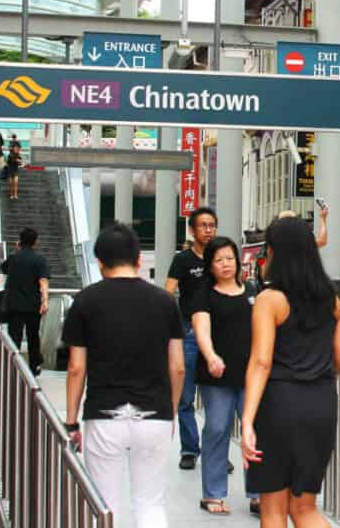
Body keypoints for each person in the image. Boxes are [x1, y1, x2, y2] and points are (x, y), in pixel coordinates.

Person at [62, 223, 185, 528]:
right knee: (150, 503)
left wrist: (71, 419)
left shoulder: (85, 301)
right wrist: (170, 411)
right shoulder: (165, 301)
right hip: (155, 413)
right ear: (139, 259)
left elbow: (77, 368)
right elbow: (178, 366)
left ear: (99, 262)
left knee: (105, 505)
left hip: (104, 413)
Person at [241, 216, 340, 527]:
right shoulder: (332, 302)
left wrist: (247, 420)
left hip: (279, 405)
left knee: (274, 509)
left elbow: (261, 362)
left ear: (275, 252)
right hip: (321, 404)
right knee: (305, 509)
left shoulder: (269, 299)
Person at [192, 236, 261, 516]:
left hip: (251, 375)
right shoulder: (203, 294)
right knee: (218, 429)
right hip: (216, 376)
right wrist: (211, 356)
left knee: (255, 431)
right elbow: (201, 329)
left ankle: (257, 493)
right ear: (210, 265)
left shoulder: (252, 290)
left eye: (230, 258)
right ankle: (213, 493)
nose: (225, 264)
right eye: (218, 260)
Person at [165, 206, 218, 470]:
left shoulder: (221, 257)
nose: (208, 230)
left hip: (217, 335)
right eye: (203, 225)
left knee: (215, 398)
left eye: (212, 225)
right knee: (185, 397)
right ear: (192, 230)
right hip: (188, 333)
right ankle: (189, 449)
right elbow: (168, 293)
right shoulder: (183, 260)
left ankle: (214, 451)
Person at [1, 227, 50, 375]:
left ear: (20, 241)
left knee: (14, 336)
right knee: (33, 336)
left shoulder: (13, 258)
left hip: (14, 305)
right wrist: (45, 301)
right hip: (33, 305)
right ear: (35, 242)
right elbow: (43, 281)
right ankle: (34, 366)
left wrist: (17, 250)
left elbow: (4, 269)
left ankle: (13, 366)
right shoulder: (40, 259)